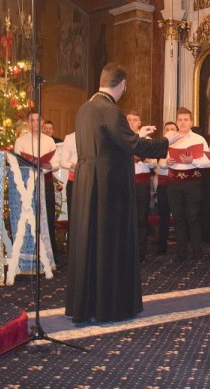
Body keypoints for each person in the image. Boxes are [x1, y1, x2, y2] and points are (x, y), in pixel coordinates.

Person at [65, 62, 177, 323]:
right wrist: (166, 142)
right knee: (108, 241)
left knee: (88, 241)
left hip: (85, 182)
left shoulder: (84, 109)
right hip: (108, 186)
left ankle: (85, 304)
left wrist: (136, 134)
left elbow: (112, 142)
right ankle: (108, 305)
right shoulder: (111, 111)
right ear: (123, 85)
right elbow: (133, 145)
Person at [167, 108, 210, 260]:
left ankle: (197, 252)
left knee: (193, 217)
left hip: (192, 183)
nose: (183, 123)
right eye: (180, 120)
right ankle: (181, 253)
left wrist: (193, 161)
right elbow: (160, 163)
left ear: (191, 122)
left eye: (186, 120)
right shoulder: (169, 139)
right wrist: (166, 162)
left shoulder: (199, 139)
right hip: (174, 183)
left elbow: (208, 162)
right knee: (178, 218)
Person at [14, 111, 61, 256]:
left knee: (47, 218)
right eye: (32, 121)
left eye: (37, 120)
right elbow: (16, 163)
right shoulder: (20, 141)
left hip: (45, 182)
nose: (35, 124)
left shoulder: (49, 141)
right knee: (28, 219)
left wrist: (50, 166)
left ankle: (49, 254)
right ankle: (29, 254)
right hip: (27, 185)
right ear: (27, 123)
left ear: (42, 122)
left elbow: (57, 163)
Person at [127, 112, 155, 262]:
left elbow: (153, 163)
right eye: (129, 120)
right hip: (124, 182)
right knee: (124, 217)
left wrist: (142, 158)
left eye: (135, 120)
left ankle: (140, 252)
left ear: (140, 122)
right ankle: (125, 250)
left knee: (141, 218)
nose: (132, 123)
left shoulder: (147, 140)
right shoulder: (121, 139)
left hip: (142, 182)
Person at [153, 121, 178, 254]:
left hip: (177, 184)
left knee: (179, 216)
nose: (169, 131)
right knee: (163, 216)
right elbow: (157, 163)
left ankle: (181, 245)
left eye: (172, 129)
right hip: (163, 185)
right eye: (167, 129)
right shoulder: (159, 146)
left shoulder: (181, 144)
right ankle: (162, 245)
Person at [60, 131, 77, 222]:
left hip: (90, 182)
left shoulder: (94, 136)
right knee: (73, 213)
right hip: (74, 180)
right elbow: (63, 162)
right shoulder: (70, 138)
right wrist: (74, 165)